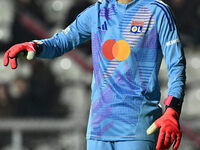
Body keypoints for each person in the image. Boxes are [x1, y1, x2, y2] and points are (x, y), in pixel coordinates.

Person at [3, 0, 186, 150]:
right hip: (99, 129)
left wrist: (173, 110)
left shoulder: (157, 11)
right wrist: (36, 46)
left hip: (137, 128)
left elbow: (176, 63)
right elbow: (61, 42)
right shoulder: (97, 11)